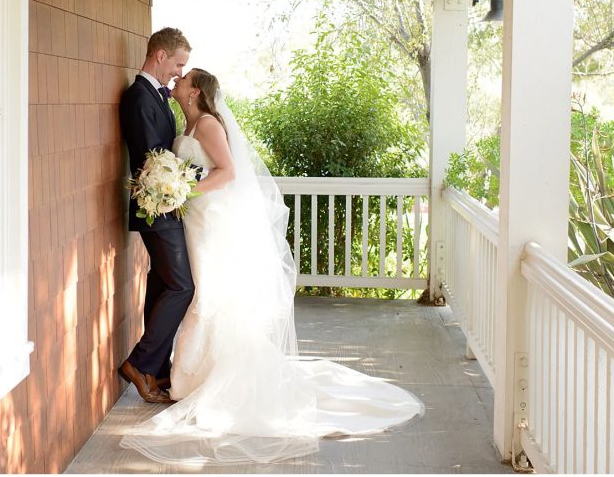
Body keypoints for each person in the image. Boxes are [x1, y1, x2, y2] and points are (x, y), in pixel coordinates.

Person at [119, 68, 425, 465]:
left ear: (195, 91)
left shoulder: (209, 124)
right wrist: (177, 187)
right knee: (203, 294)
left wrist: (181, 189)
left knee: (209, 296)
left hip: (207, 221)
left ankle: (204, 379)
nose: (175, 82)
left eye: (183, 80)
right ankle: (190, 375)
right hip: (194, 221)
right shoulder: (188, 123)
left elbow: (227, 172)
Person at [117, 27, 194, 405]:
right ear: (159, 55)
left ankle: (157, 371)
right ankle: (139, 363)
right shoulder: (138, 97)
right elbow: (151, 158)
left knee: (164, 283)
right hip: (155, 206)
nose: (178, 73)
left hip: (165, 203)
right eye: (177, 64)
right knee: (183, 286)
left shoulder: (157, 96)